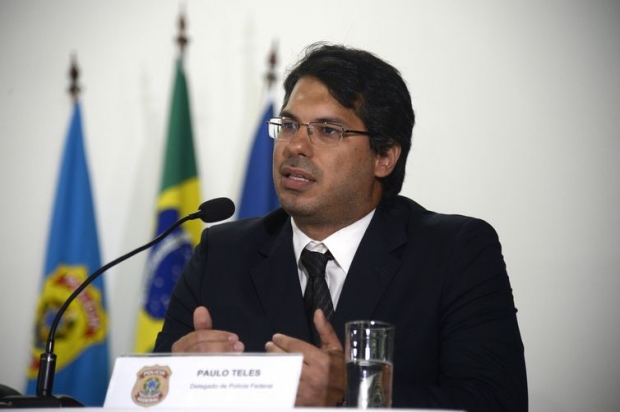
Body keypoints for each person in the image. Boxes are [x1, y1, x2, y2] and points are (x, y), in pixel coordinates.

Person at [154, 43, 528, 411]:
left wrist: (354, 391)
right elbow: (150, 391)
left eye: (328, 130)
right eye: (288, 125)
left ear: (384, 157)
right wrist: (177, 380)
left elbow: (496, 402)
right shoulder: (221, 253)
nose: (295, 145)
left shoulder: (455, 253)